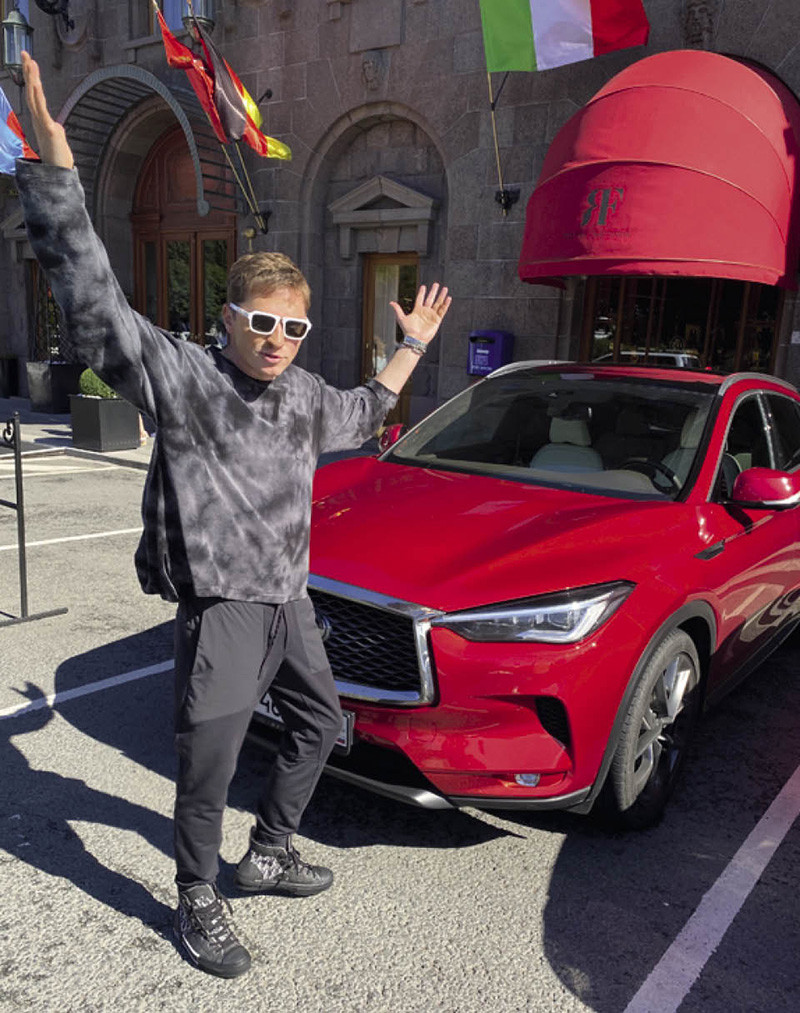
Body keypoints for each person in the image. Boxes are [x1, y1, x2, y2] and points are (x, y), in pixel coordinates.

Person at [18, 53, 451, 980]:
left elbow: (366, 409)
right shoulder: (185, 377)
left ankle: (269, 851)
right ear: (228, 318)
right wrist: (57, 177)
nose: (277, 340)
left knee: (320, 724)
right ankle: (196, 891)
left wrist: (410, 348)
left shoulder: (304, 396)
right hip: (221, 607)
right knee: (207, 760)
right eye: (262, 323)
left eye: (293, 328)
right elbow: (97, 313)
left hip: (290, 599)